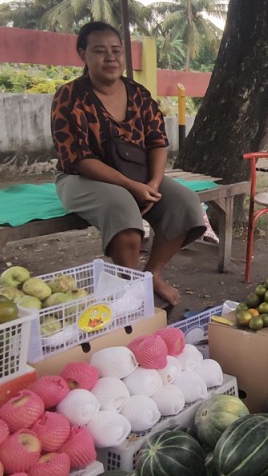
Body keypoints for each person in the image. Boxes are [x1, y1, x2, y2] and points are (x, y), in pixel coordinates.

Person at [51, 21, 206, 310]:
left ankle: (152, 274)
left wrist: (154, 184)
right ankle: (131, 290)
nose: (110, 58)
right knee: (122, 207)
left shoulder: (139, 94)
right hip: (81, 177)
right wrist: (130, 186)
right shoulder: (70, 96)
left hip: (138, 174)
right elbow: (79, 159)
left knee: (185, 203)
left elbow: (158, 143)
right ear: (83, 54)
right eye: (100, 51)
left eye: (116, 51)